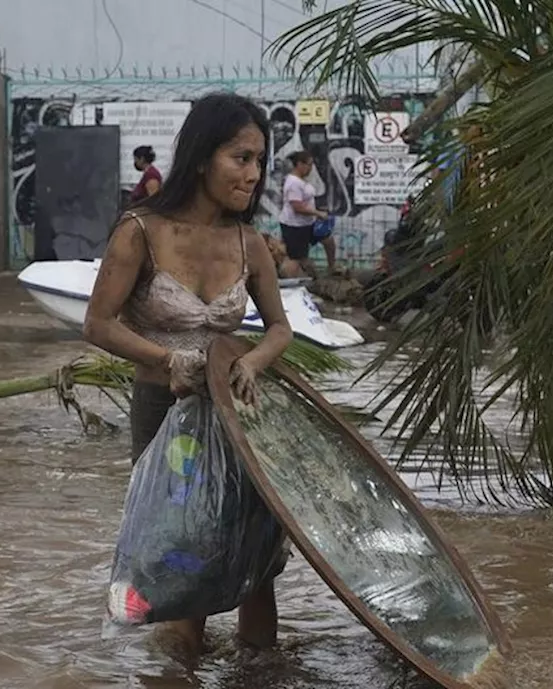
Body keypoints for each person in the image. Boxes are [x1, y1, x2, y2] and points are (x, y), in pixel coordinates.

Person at [82, 92, 294, 656]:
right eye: (240, 158)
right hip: (165, 419)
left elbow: (279, 329)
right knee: (180, 563)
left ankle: (259, 671)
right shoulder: (140, 232)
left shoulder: (250, 243)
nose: (253, 174)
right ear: (202, 157)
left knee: (256, 565)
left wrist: (249, 362)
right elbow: (98, 324)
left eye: (259, 161)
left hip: (242, 422)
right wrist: (166, 359)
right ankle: (177, 671)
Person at [278, 150, 337, 276]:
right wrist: (318, 213)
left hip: (309, 224)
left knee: (328, 240)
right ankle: (288, 280)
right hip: (295, 226)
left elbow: (306, 200)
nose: (311, 168)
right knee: (297, 258)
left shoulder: (301, 180)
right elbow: (297, 207)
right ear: (300, 164)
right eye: (309, 165)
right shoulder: (293, 182)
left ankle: (331, 268)